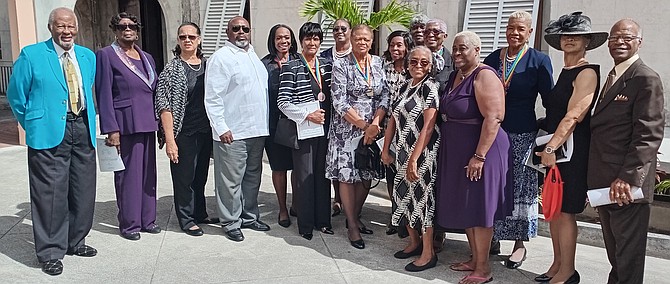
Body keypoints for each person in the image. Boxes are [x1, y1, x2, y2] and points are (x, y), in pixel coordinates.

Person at [7, 7, 97, 275]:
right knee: (50, 194)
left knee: (83, 189)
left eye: (70, 26)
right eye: (61, 26)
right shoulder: (31, 55)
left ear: (77, 28)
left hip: (82, 127)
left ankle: (76, 240)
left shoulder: (87, 56)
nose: (66, 31)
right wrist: (34, 124)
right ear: (51, 27)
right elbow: (16, 96)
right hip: (48, 131)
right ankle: (50, 251)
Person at [588, 19, 664, 284]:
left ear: (639, 42)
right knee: (617, 255)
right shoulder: (613, 76)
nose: (620, 41)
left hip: (625, 185)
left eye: (627, 37)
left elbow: (649, 133)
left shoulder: (645, 78)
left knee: (628, 258)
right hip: (604, 182)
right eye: (615, 37)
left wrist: (629, 177)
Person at [535, 11, 607, 284]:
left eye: (576, 35)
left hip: (570, 152)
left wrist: (551, 148)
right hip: (555, 151)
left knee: (566, 212)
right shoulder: (565, 71)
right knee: (554, 210)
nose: (569, 39)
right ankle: (557, 265)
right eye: (566, 35)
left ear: (587, 41)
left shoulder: (587, 72)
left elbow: (575, 115)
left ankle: (568, 271)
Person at [435, 31, 512, 284]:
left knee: (480, 209)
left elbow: (494, 117)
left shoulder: (485, 75)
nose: (456, 53)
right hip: (460, 150)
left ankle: (484, 268)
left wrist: (479, 156)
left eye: (463, 49)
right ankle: (474, 259)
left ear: (477, 50)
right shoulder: (458, 75)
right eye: (454, 48)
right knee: (469, 205)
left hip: (483, 151)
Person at [483, 10, 554, 268]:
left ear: (530, 32)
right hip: (493, 132)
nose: (515, 32)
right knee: (495, 186)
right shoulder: (492, 59)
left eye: (520, 29)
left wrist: (548, 137)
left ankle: (519, 243)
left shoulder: (539, 60)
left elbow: (550, 102)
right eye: (511, 27)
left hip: (523, 134)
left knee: (520, 188)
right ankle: (491, 237)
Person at [204, 16, 270, 242]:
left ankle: (249, 216)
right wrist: (221, 127)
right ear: (227, 32)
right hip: (232, 132)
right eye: (236, 29)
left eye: (245, 28)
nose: (241, 32)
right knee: (230, 181)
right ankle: (230, 221)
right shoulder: (221, 58)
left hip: (257, 130)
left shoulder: (253, 55)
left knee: (252, 177)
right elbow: (212, 97)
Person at [96, 12, 160, 241]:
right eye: (122, 27)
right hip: (124, 124)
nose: (127, 30)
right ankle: (130, 224)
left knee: (147, 175)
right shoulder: (105, 55)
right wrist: (111, 129)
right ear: (115, 29)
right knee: (128, 176)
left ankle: (148, 220)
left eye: (132, 26)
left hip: (147, 122)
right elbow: (103, 94)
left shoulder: (148, 58)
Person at [326, 24, 389, 249]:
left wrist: (374, 124)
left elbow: (385, 95)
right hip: (347, 130)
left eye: (366, 39)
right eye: (358, 38)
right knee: (346, 176)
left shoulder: (378, 63)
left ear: (372, 41)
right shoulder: (341, 65)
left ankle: (357, 214)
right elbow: (339, 101)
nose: (362, 42)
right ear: (351, 40)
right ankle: (352, 224)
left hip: (373, 129)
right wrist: (364, 125)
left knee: (366, 174)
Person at [154, 22, 218, 237]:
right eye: (183, 37)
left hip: (205, 131)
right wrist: (170, 140)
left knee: (200, 176)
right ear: (178, 41)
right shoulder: (172, 69)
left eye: (192, 36)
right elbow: (164, 105)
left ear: (199, 39)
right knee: (184, 178)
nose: (187, 40)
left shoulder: (208, 66)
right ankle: (186, 218)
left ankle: (200, 213)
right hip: (183, 132)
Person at [382, 46, 440, 272]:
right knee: (404, 196)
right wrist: (386, 149)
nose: (418, 66)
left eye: (423, 62)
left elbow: (429, 126)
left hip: (423, 153)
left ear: (431, 65)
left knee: (423, 200)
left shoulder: (430, 88)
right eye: (413, 62)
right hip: (403, 151)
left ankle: (428, 253)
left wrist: (415, 159)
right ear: (407, 64)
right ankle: (414, 242)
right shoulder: (404, 87)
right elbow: (393, 120)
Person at [277, 22, 334, 240]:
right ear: (301, 41)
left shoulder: (327, 66)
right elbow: (282, 102)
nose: (312, 43)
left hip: (325, 130)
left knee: (322, 176)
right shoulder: (291, 66)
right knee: (303, 178)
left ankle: (323, 221)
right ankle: (306, 224)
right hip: (304, 129)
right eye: (308, 38)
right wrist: (307, 115)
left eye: (316, 39)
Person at [261, 24, 299, 228]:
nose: (283, 41)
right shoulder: (264, 64)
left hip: (298, 124)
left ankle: (296, 204)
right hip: (274, 125)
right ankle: (283, 208)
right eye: (279, 38)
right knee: (279, 167)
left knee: (297, 167)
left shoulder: (300, 61)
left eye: (287, 37)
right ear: (272, 40)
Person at [382, 30, 413, 237]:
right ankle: (396, 217)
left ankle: (408, 220)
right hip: (387, 129)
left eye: (399, 45)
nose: (395, 49)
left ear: (407, 47)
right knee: (391, 175)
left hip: (408, 131)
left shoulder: (414, 69)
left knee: (406, 175)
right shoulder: (384, 68)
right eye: (392, 45)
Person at [320, 18, 352, 217]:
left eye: (343, 28)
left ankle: (351, 204)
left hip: (353, 117)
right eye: (335, 29)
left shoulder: (358, 56)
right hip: (329, 115)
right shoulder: (324, 57)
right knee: (333, 159)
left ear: (350, 31)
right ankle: (337, 199)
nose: (339, 31)